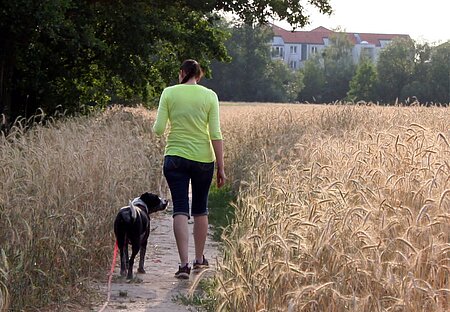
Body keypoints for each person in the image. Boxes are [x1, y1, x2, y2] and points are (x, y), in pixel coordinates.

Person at [153, 59, 226, 279]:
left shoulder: (169, 93)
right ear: (198, 75)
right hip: (204, 159)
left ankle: (183, 265)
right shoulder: (210, 96)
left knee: (180, 209)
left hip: (175, 157)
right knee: (200, 209)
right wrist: (221, 167)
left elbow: (158, 129)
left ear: (182, 73)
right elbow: (215, 133)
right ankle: (199, 259)